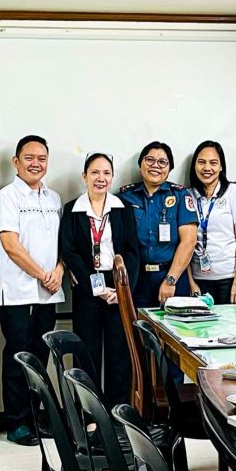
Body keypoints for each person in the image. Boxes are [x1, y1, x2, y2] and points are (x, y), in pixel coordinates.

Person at [0, 135, 64, 446]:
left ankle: (37, 417)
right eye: (29, 157)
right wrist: (42, 275)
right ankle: (17, 422)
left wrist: (58, 271)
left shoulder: (54, 199)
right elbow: (11, 246)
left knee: (41, 356)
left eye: (42, 158)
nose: (36, 163)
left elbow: (63, 244)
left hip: (49, 292)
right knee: (18, 357)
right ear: (16, 162)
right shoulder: (5, 198)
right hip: (17, 292)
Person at [59, 153, 140, 407]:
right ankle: (91, 414)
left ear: (112, 177)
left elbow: (132, 252)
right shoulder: (73, 209)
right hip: (86, 285)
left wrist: (122, 290)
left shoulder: (122, 209)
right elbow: (69, 251)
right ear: (84, 176)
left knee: (119, 354)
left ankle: (117, 411)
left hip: (118, 285)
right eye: (95, 172)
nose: (100, 178)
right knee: (87, 353)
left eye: (106, 173)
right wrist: (93, 287)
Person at [118, 142, 197, 307]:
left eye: (162, 162)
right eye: (150, 160)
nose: (155, 166)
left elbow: (189, 241)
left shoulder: (180, 196)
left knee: (175, 329)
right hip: (137, 279)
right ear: (140, 164)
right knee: (138, 330)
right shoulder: (125, 197)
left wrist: (170, 280)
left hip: (172, 276)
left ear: (170, 168)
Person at [185, 141, 236, 305]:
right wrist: (190, 281)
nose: (207, 168)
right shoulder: (186, 196)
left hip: (231, 277)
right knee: (203, 330)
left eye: (213, 163)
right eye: (201, 162)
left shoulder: (233, 193)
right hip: (199, 279)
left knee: (234, 328)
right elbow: (183, 243)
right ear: (194, 166)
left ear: (221, 167)